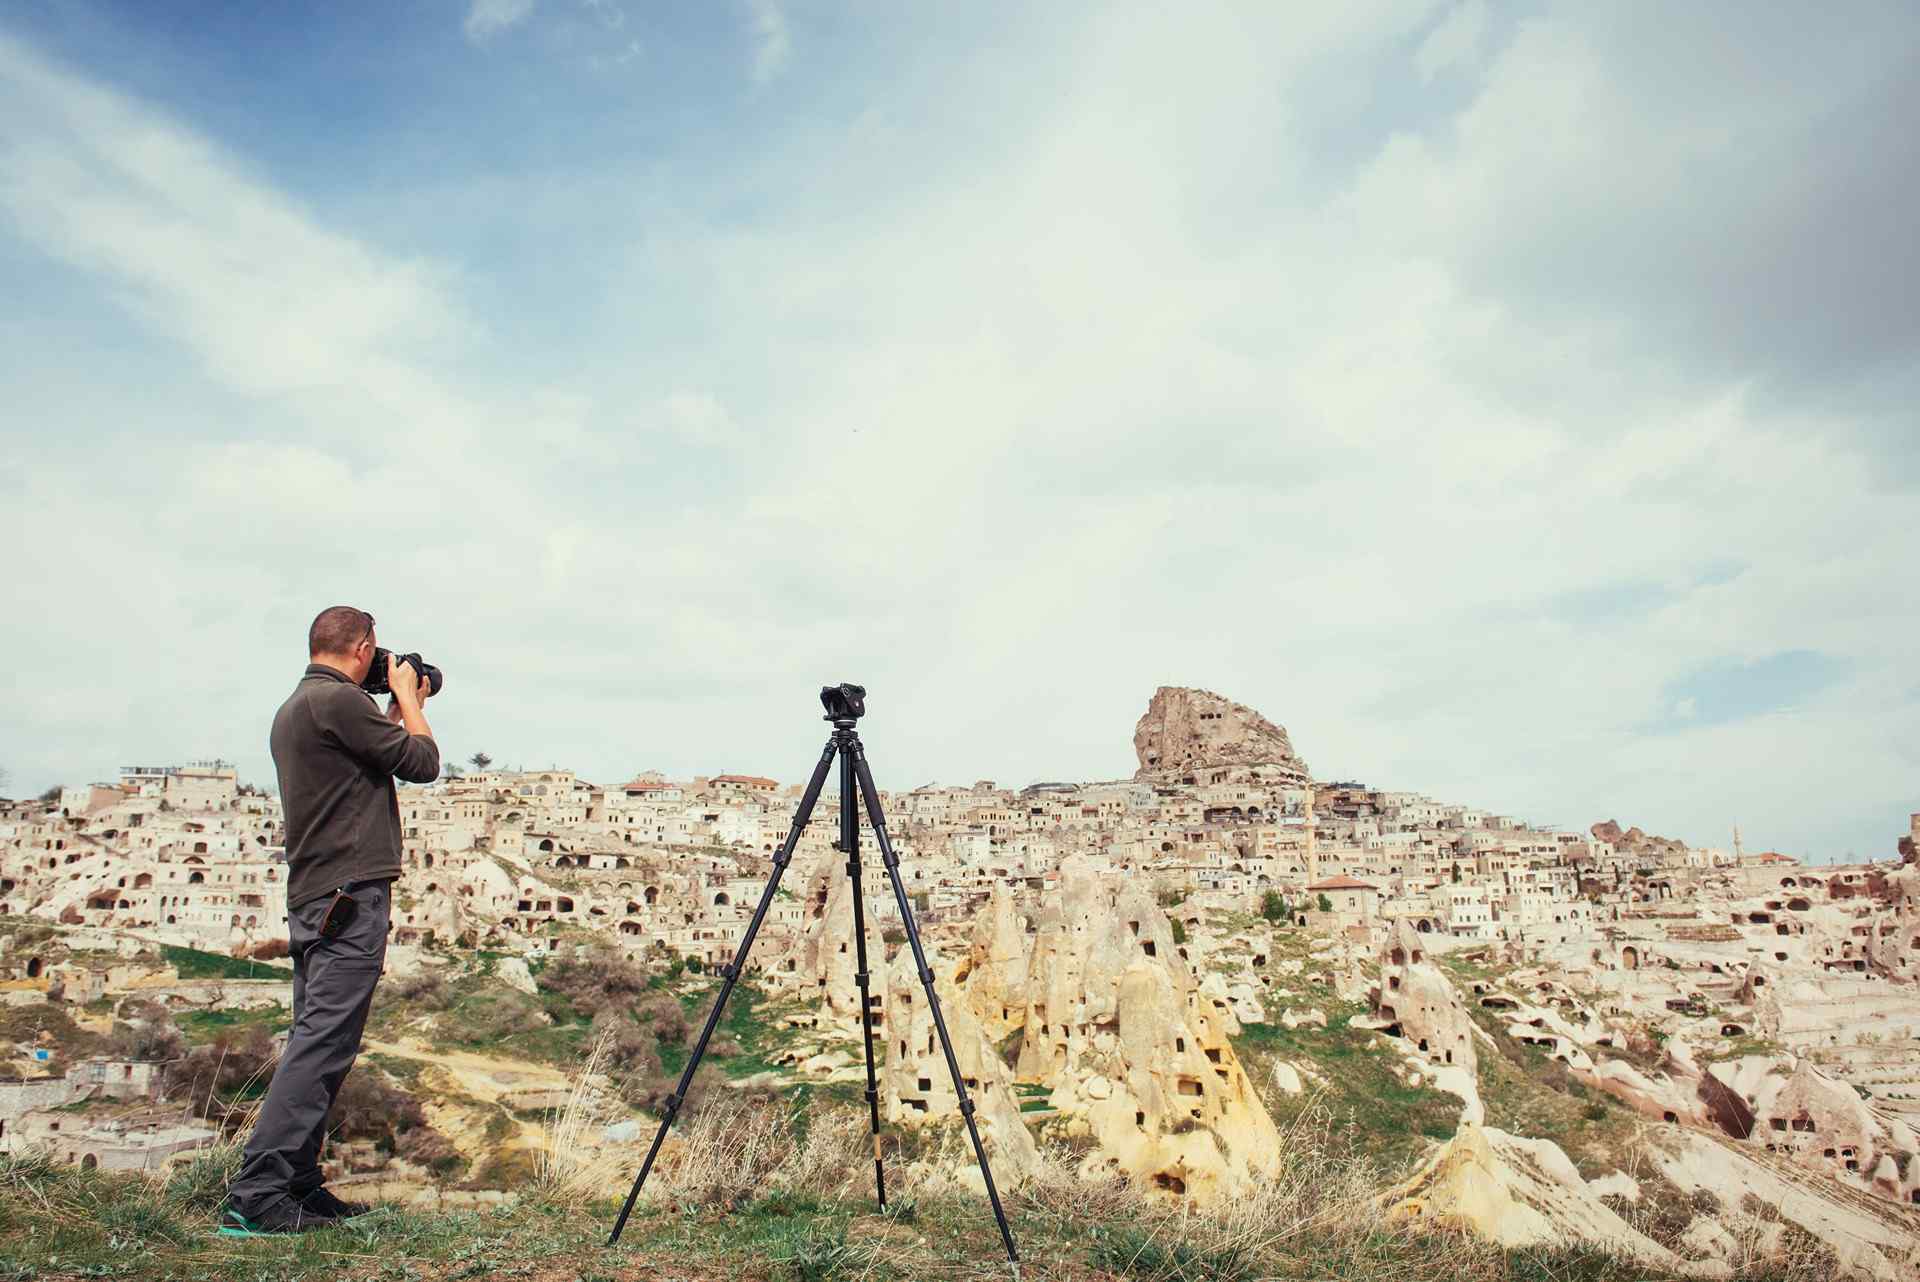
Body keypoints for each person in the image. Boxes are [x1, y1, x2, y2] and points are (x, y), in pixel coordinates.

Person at [222, 605, 439, 1235]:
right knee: (321, 1043)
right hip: (348, 897)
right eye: (377, 655)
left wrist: (393, 715)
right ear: (364, 648)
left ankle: (297, 1184)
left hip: (318, 896)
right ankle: (259, 1192)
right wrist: (407, 698)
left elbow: (381, 755)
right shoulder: (338, 702)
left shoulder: (301, 706)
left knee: (326, 1040)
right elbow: (423, 763)